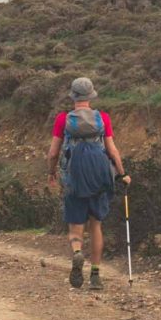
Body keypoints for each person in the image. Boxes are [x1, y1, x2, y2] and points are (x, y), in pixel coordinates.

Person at [47, 77, 130, 290]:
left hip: (74, 179)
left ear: (73, 97)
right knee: (96, 226)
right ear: (91, 95)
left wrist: (51, 173)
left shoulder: (63, 119)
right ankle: (95, 275)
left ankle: (77, 253)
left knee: (76, 227)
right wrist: (122, 174)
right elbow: (112, 150)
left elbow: (53, 152)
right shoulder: (102, 118)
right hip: (99, 178)